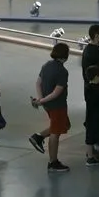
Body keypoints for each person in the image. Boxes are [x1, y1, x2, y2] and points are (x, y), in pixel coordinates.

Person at [29, 43, 71, 172]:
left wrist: (41, 99)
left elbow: (38, 83)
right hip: (57, 105)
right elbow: (56, 92)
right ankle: (53, 162)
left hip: (48, 105)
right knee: (56, 132)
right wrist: (41, 101)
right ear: (66, 56)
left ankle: (38, 137)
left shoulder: (46, 65)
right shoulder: (62, 71)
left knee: (65, 125)